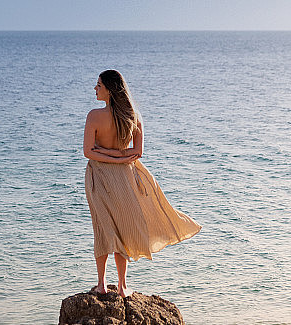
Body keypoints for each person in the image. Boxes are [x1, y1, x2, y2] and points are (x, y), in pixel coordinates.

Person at [83, 69, 202, 298]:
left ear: (109, 89)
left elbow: (89, 152)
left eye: (98, 85)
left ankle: (101, 284)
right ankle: (121, 286)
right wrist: (119, 155)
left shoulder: (94, 116)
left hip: (99, 176)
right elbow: (137, 152)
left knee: (103, 228)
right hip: (126, 176)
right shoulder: (133, 116)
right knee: (122, 229)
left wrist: (107, 153)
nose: (95, 89)